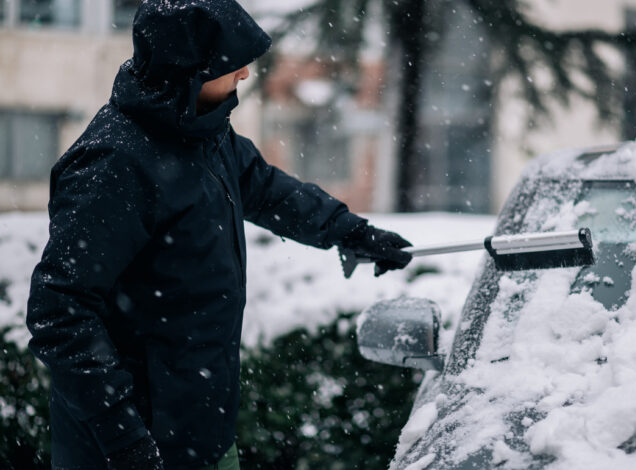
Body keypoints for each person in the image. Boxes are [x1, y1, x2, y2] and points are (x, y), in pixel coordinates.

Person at [25, 1, 412, 469]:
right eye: (230, 65)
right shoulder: (115, 165)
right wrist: (123, 437)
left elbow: (269, 191)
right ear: (188, 69)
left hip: (199, 432)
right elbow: (59, 311)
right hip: (130, 449)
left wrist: (351, 232)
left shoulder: (203, 134)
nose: (244, 75)